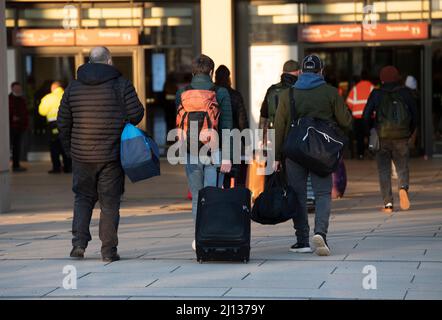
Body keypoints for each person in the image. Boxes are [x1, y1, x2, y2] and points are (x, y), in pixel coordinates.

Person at [58, 46, 144, 262]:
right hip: (111, 155)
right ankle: (108, 251)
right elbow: (136, 113)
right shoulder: (121, 84)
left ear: (89, 61)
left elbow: (63, 121)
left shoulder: (73, 87)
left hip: (81, 155)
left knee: (83, 198)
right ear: (109, 61)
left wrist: (70, 149)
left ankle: (78, 244)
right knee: (110, 202)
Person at [273, 54, 353, 256]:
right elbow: (347, 122)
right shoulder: (330, 93)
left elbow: (279, 127)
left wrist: (276, 157)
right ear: (321, 71)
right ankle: (321, 234)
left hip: (295, 152)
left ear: (301, 72)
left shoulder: (288, 94)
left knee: (298, 194)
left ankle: (302, 241)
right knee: (322, 193)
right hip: (321, 151)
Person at [175, 55, 233, 251]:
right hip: (213, 151)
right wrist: (227, 156)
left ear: (193, 72)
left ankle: (199, 236)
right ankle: (212, 235)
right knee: (213, 195)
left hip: (190, 151)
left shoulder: (182, 92)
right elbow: (226, 126)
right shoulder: (221, 92)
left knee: (197, 196)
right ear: (211, 72)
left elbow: (179, 122)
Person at [364, 66, 417, 214]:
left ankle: (388, 204)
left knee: (384, 170)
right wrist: (409, 131)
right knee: (402, 166)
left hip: (382, 137)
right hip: (401, 136)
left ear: (381, 79)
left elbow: (366, 115)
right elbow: (415, 115)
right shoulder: (405, 92)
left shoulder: (376, 93)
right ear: (397, 78)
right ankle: (402, 188)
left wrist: (371, 130)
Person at [215, 65, 249, 188]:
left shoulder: (212, 93)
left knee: (216, 173)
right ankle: (230, 199)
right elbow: (242, 121)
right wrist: (247, 142)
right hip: (233, 139)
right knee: (232, 172)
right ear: (229, 77)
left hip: (215, 139)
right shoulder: (235, 95)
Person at [39, 81, 72, 174]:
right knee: (66, 144)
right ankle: (68, 167)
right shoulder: (68, 95)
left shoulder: (48, 98)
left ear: (53, 88)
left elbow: (42, 111)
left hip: (52, 125)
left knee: (54, 146)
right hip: (67, 123)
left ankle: (56, 168)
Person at [259, 60, 300, 135]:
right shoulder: (300, 90)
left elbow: (263, 115)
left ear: (283, 72)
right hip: (295, 135)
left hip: (274, 134)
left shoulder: (272, 90)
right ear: (298, 72)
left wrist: (261, 137)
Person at [346, 70, 374, 160]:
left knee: (359, 137)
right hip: (369, 117)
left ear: (361, 78)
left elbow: (348, 102)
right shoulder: (372, 88)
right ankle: (371, 152)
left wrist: (355, 110)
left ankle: (360, 154)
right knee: (370, 135)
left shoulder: (355, 88)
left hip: (358, 117)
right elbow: (376, 103)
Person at [8, 82, 29, 172]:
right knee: (11, 146)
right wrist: (12, 117)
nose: (18, 90)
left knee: (17, 147)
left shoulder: (22, 99)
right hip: (11, 127)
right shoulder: (8, 99)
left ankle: (16, 165)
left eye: (19, 88)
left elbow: (25, 112)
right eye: (16, 88)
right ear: (12, 89)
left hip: (20, 127)